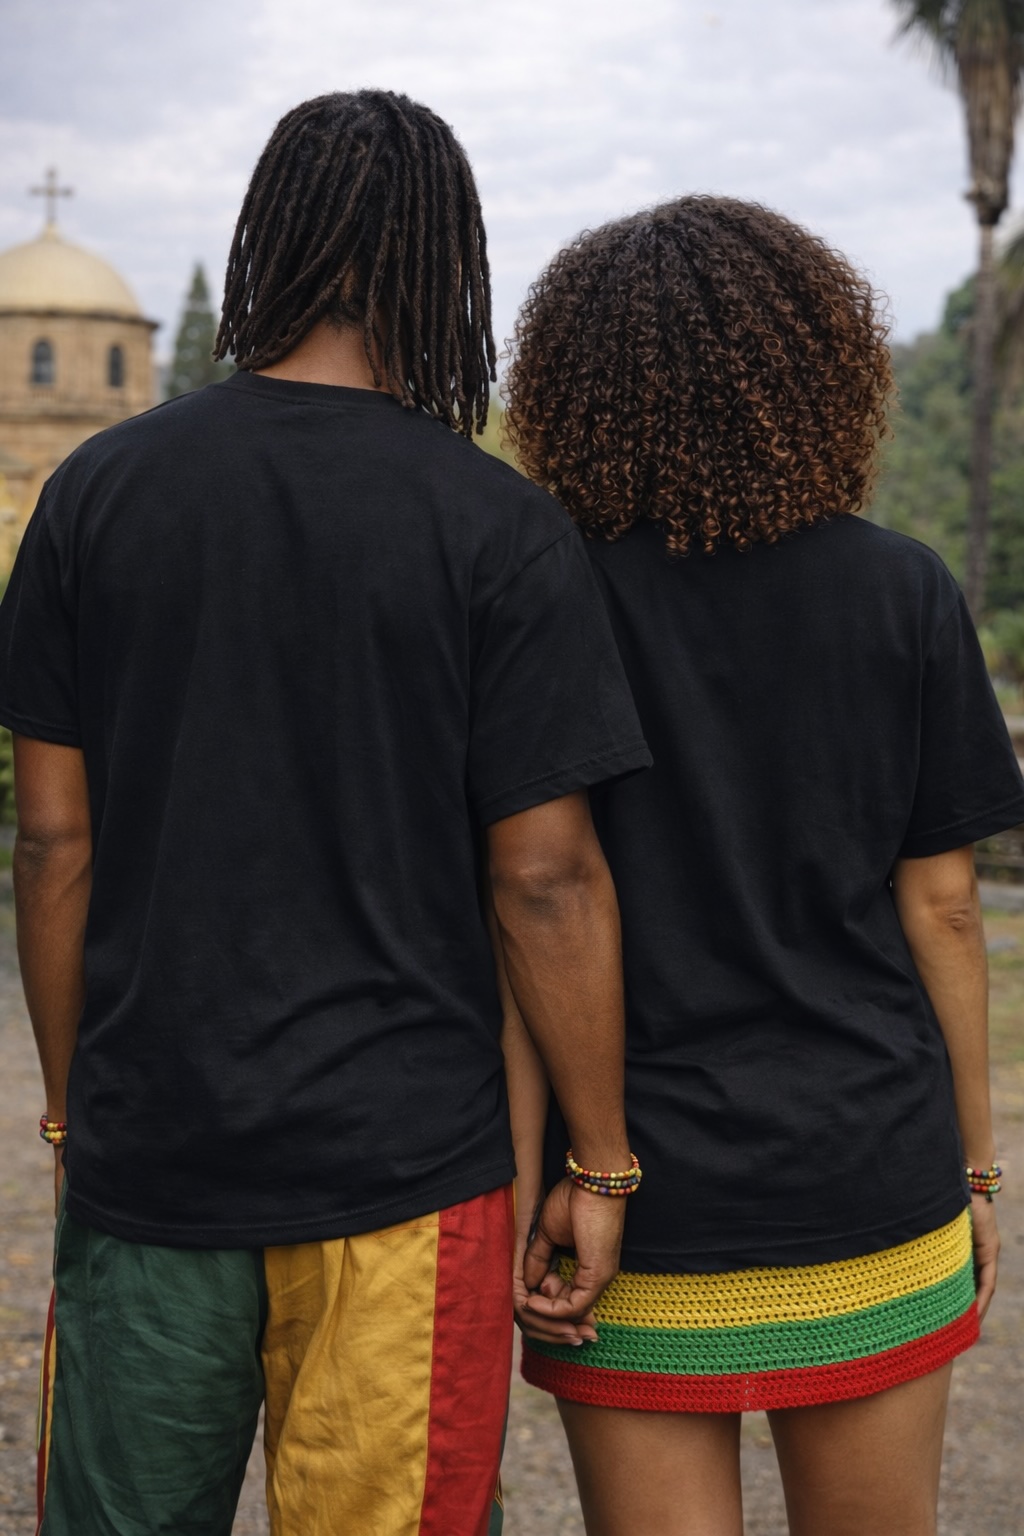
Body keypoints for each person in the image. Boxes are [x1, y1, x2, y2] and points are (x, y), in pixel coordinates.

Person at [0, 91, 652, 1536]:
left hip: (152, 1153)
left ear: (268, 244)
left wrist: (73, 1109)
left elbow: (53, 843)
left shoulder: (95, 493)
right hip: (405, 1173)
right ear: (447, 265)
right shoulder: (498, 526)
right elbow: (546, 879)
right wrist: (600, 1161)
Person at [503, 195, 1023, 1536]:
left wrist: (526, 1182)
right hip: (869, 1172)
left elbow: (525, 906)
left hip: (628, 1200)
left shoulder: (546, 598)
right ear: (816, 368)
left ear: (574, 389)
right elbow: (944, 911)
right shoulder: (904, 590)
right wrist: (975, 1171)